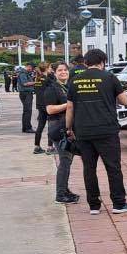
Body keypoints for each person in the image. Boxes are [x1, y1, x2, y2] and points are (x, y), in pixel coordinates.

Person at [66, 49, 127, 215]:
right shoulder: (109, 77)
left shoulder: (74, 80)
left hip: (83, 131)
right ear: (102, 62)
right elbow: (124, 100)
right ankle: (118, 203)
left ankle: (94, 205)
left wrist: (68, 129)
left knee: (89, 168)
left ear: (86, 62)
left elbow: (70, 107)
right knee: (113, 168)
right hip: (106, 130)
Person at [45, 62, 79, 204]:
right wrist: (69, 105)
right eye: (60, 70)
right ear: (54, 72)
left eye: (65, 70)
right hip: (57, 128)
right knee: (65, 160)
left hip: (67, 127)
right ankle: (60, 194)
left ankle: (64, 189)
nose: (63, 72)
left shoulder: (68, 86)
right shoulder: (52, 89)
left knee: (68, 160)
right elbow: (50, 109)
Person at [33, 62, 53, 154]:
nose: (51, 69)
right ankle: (50, 147)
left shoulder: (37, 79)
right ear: (46, 69)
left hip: (39, 104)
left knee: (40, 126)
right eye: (50, 68)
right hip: (47, 104)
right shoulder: (47, 79)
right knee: (51, 126)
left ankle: (37, 147)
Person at [17, 62, 35, 133]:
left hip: (26, 93)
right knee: (28, 111)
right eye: (32, 68)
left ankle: (25, 127)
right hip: (26, 93)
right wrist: (35, 82)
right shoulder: (23, 73)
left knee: (26, 111)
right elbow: (25, 83)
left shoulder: (25, 73)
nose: (32, 70)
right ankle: (27, 128)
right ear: (28, 66)